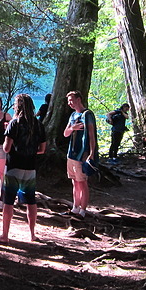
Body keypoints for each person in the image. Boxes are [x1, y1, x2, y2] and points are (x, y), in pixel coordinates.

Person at [0, 93, 46, 243]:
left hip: (13, 167)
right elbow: (42, 149)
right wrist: (29, 150)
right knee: (31, 201)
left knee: (8, 201)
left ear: (18, 106)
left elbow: (6, 148)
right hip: (30, 168)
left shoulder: (14, 123)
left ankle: (5, 236)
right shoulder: (38, 125)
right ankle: (32, 234)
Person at [62, 90, 98, 219]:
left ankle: (83, 210)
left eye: (71, 100)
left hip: (82, 154)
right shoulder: (72, 116)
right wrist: (72, 128)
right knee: (74, 182)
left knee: (82, 182)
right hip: (71, 153)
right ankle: (75, 208)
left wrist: (92, 153)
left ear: (78, 99)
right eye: (68, 101)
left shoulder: (87, 114)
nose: (70, 103)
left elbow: (91, 135)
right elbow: (65, 133)